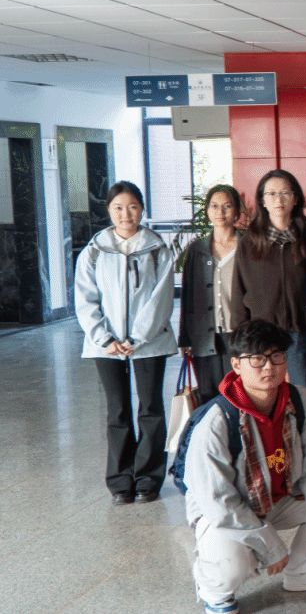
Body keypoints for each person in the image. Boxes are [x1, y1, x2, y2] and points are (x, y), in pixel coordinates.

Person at [185, 319, 306, 614]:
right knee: (230, 568)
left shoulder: (303, 402)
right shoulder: (216, 421)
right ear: (236, 365)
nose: (269, 367)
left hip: (280, 498)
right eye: (257, 359)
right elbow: (219, 502)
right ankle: (213, 588)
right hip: (228, 511)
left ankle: (305, 571)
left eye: (276, 356)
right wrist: (271, 547)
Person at [75, 181, 178, 505]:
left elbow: (161, 299)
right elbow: (85, 298)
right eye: (118, 207)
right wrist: (104, 337)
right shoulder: (94, 250)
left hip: (149, 342)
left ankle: (148, 479)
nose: (125, 214)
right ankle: (121, 480)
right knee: (117, 409)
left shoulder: (157, 249)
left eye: (132, 207)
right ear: (108, 210)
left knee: (151, 407)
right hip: (105, 345)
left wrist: (138, 337)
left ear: (142, 209)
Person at [231, 170, 306, 413]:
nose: (278, 199)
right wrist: (240, 336)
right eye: (271, 194)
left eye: (285, 193)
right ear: (262, 200)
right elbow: (239, 290)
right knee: (265, 402)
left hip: (302, 335)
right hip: (262, 337)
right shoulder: (249, 242)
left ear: (296, 199)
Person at [180, 184, 244, 404]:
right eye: (214, 206)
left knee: (240, 395)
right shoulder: (196, 250)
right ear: (207, 211)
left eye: (227, 206)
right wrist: (184, 338)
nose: (220, 212)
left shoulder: (247, 247)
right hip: (204, 335)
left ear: (237, 211)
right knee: (209, 397)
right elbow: (187, 295)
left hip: (238, 333)